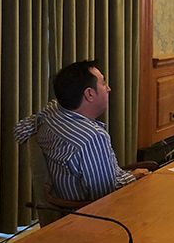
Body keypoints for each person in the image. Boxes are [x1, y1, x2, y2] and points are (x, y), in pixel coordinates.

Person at [13, 61, 148, 201]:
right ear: (89, 94)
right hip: (91, 215)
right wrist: (132, 176)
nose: (109, 88)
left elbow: (21, 129)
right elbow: (105, 195)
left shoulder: (53, 110)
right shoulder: (92, 138)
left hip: (66, 204)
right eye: (103, 83)